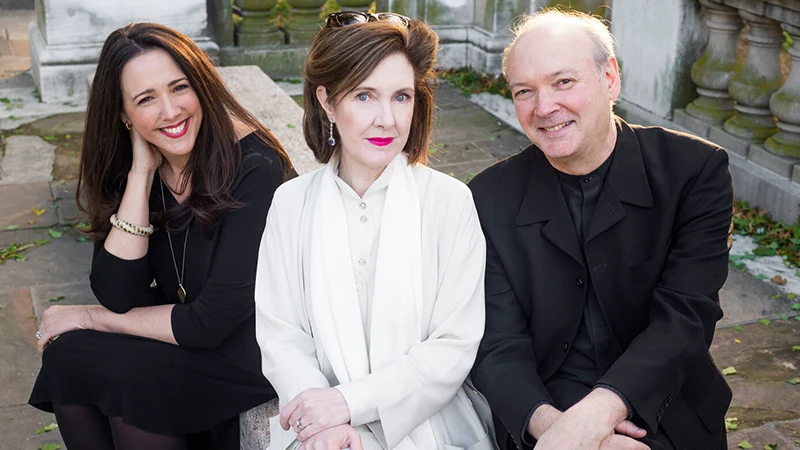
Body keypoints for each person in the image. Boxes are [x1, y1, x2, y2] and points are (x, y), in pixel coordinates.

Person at [468, 9, 733, 450]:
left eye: (563, 82)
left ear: (610, 77)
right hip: (544, 412)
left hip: (668, 404)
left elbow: (685, 319)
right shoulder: (487, 197)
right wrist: (562, 432)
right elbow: (496, 345)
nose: (544, 107)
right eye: (524, 91)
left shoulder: (694, 172)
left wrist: (594, 419)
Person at [28, 22, 293, 450]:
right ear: (123, 114)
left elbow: (213, 322)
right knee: (66, 357)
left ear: (201, 86)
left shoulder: (255, 167)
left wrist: (88, 317)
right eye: (146, 99)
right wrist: (141, 173)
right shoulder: (142, 170)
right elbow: (117, 291)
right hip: (190, 334)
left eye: (179, 87)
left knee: (136, 388)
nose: (170, 111)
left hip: (255, 350)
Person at [254, 12, 495, 450]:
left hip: (426, 423)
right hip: (318, 427)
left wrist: (349, 405)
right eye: (364, 96)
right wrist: (323, 419)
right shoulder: (290, 204)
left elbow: (453, 345)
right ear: (327, 101)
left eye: (401, 96)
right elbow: (281, 334)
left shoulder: (450, 201)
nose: (387, 118)